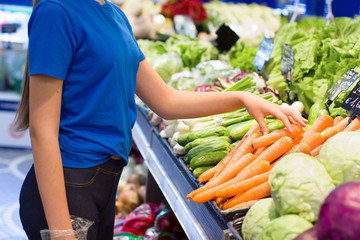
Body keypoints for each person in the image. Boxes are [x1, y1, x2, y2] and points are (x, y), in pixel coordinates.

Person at [14, 0, 307, 239]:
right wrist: (63, 232)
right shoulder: (56, 11)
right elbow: (42, 131)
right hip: (67, 184)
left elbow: (166, 102)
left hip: (103, 181)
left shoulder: (114, 15)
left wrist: (242, 99)